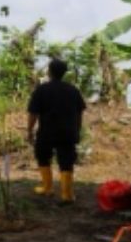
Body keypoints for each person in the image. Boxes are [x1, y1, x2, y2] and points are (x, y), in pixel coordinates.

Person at [26, 59, 87, 204]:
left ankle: (47, 188)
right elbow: (79, 113)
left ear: (49, 71)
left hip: (47, 132)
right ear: (64, 73)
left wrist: (29, 130)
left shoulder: (42, 90)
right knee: (66, 161)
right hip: (67, 132)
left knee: (42, 156)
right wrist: (77, 130)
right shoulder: (73, 90)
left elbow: (33, 113)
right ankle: (67, 195)